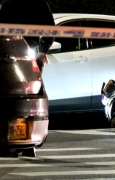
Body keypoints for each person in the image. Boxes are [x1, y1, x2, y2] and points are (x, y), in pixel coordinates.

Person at [0, 0, 55, 157]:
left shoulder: (35, 4)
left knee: (29, 98)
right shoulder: (9, 3)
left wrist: (43, 50)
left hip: (26, 54)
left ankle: (27, 141)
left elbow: (49, 29)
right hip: (11, 54)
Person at [0, 0, 55, 72]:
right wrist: (43, 50)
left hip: (13, 53)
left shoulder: (7, 3)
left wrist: (43, 50)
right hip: (15, 52)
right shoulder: (39, 3)